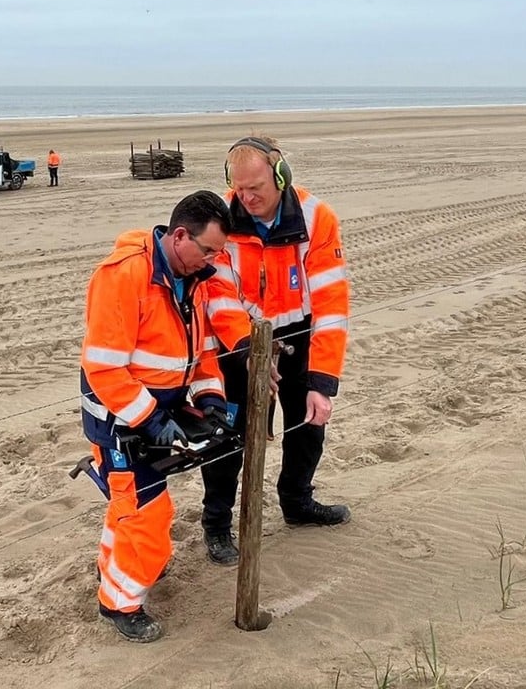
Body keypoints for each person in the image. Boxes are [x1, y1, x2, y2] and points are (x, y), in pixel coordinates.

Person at [80, 189, 250, 642]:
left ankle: (113, 576)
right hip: (122, 425)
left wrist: (211, 398)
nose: (213, 261)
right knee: (150, 519)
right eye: (209, 250)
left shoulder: (189, 278)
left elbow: (200, 354)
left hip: (158, 415)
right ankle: (119, 604)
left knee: (129, 510)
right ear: (179, 236)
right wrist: (152, 419)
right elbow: (104, 367)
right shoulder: (125, 276)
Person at [200, 134, 351, 567]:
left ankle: (297, 501)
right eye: (239, 189)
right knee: (229, 439)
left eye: (256, 190)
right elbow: (220, 298)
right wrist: (251, 353)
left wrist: (322, 383)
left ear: (281, 176)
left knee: (308, 425)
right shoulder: (222, 223)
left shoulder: (316, 217)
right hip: (241, 343)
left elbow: (331, 304)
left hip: (299, 336)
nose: (246, 199)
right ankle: (216, 524)